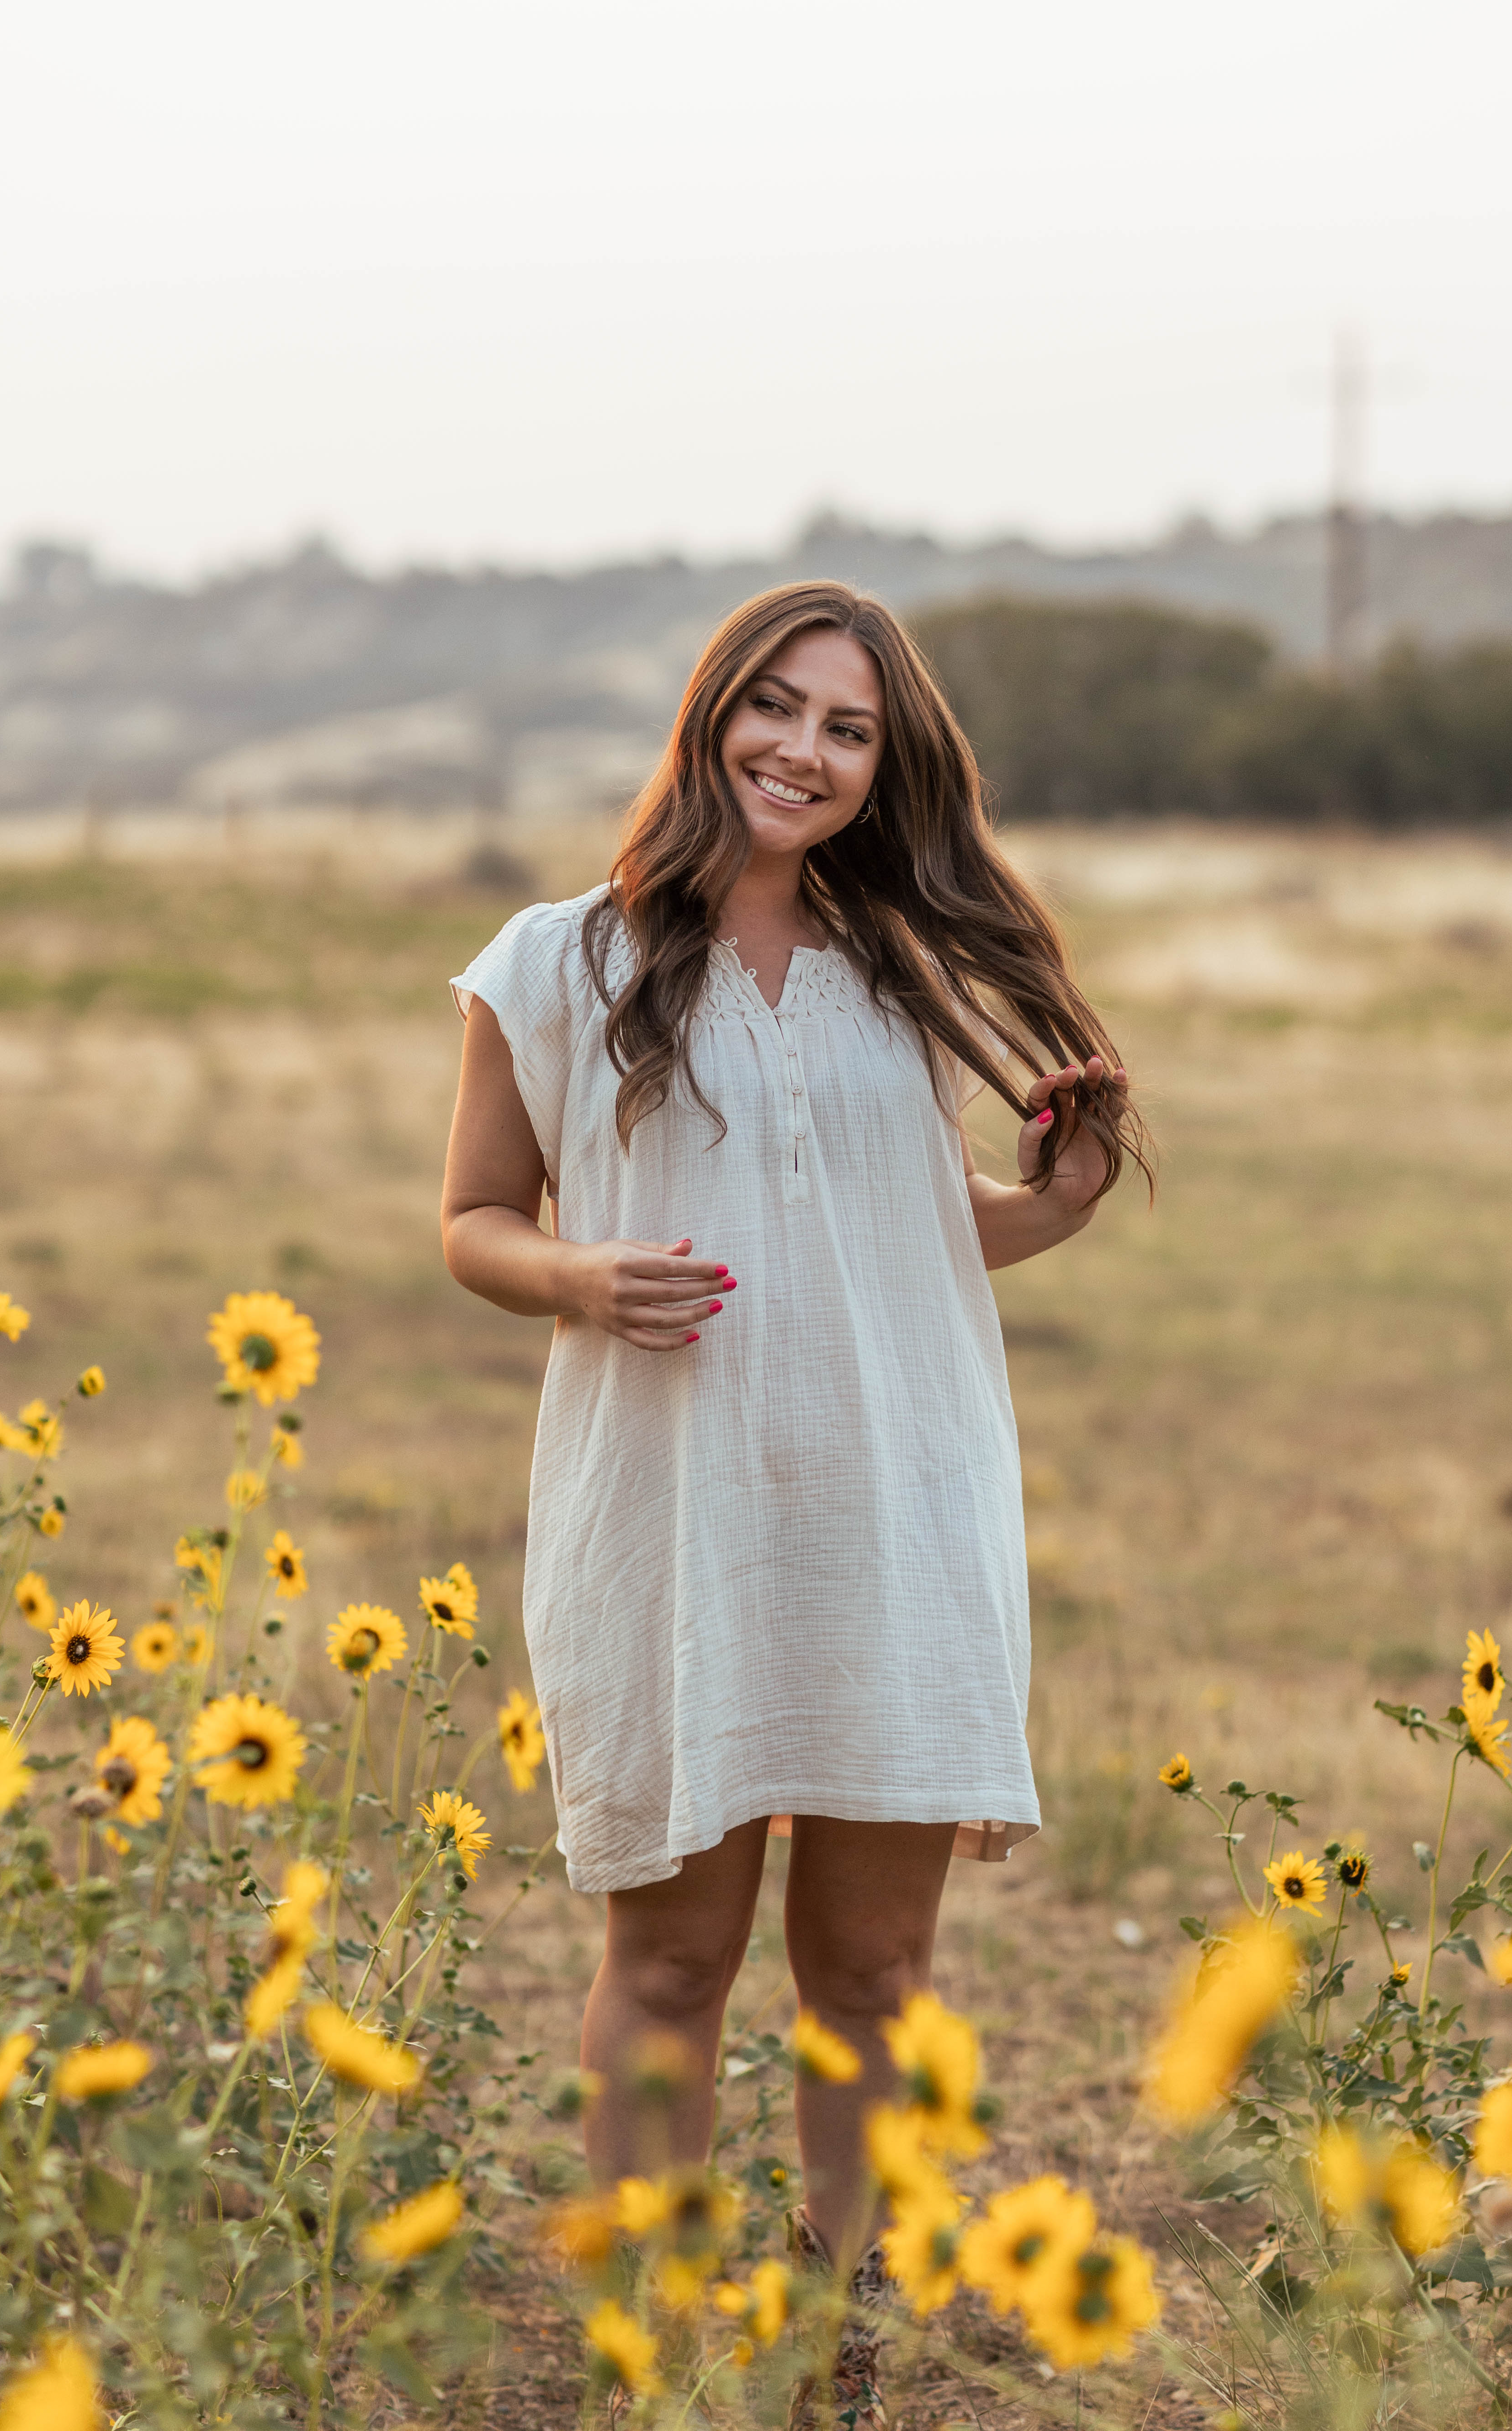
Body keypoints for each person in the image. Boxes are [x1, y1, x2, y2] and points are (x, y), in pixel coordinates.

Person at [441, 580, 1147, 2427]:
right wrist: (581, 1278)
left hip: (892, 1504)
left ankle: (834, 2321)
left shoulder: (915, 971)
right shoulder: (554, 961)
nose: (804, 753)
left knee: (875, 1960)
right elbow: (472, 1225)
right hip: (666, 1510)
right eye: (776, 708)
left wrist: (1058, 1210)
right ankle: (653, 2332)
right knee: (669, 1948)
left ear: (885, 766)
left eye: (850, 730)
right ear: (710, 714)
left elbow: (898, 1242)